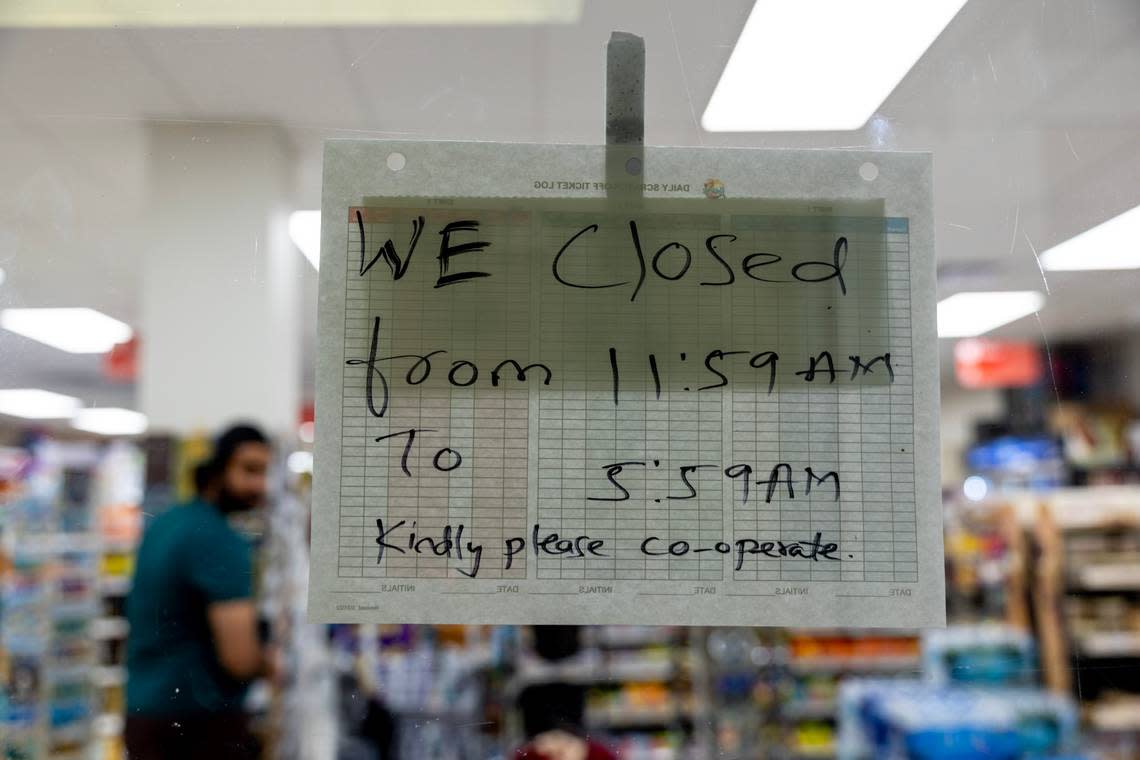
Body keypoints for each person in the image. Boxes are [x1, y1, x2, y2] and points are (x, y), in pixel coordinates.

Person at [124, 424, 276, 760]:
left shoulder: (167, 522)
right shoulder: (219, 540)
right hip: (196, 723)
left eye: (265, 473)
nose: (259, 485)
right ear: (219, 468)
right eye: (249, 470)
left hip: (146, 711)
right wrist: (272, 665)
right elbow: (239, 658)